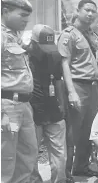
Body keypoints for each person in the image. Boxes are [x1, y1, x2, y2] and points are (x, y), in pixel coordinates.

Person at [58, 0, 98, 179]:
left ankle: (81, 167)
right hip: (77, 86)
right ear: (77, 11)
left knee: (89, 130)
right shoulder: (68, 34)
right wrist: (71, 92)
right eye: (87, 10)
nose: (90, 14)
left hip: (92, 88)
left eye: (93, 11)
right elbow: (64, 64)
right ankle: (66, 171)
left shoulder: (91, 34)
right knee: (72, 132)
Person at [1, 0, 37, 183]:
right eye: (22, 15)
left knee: (27, 155)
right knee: (5, 159)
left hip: (23, 105)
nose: (26, 20)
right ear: (5, 11)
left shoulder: (15, 37)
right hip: (7, 106)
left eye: (27, 16)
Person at [27, 24, 67, 183]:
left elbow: (58, 81)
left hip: (53, 109)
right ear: (33, 42)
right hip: (32, 110)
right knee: (30, 153)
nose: (47, 50)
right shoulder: (23, 56)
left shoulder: (55, 55)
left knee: (59, 153)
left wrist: (62, 103)